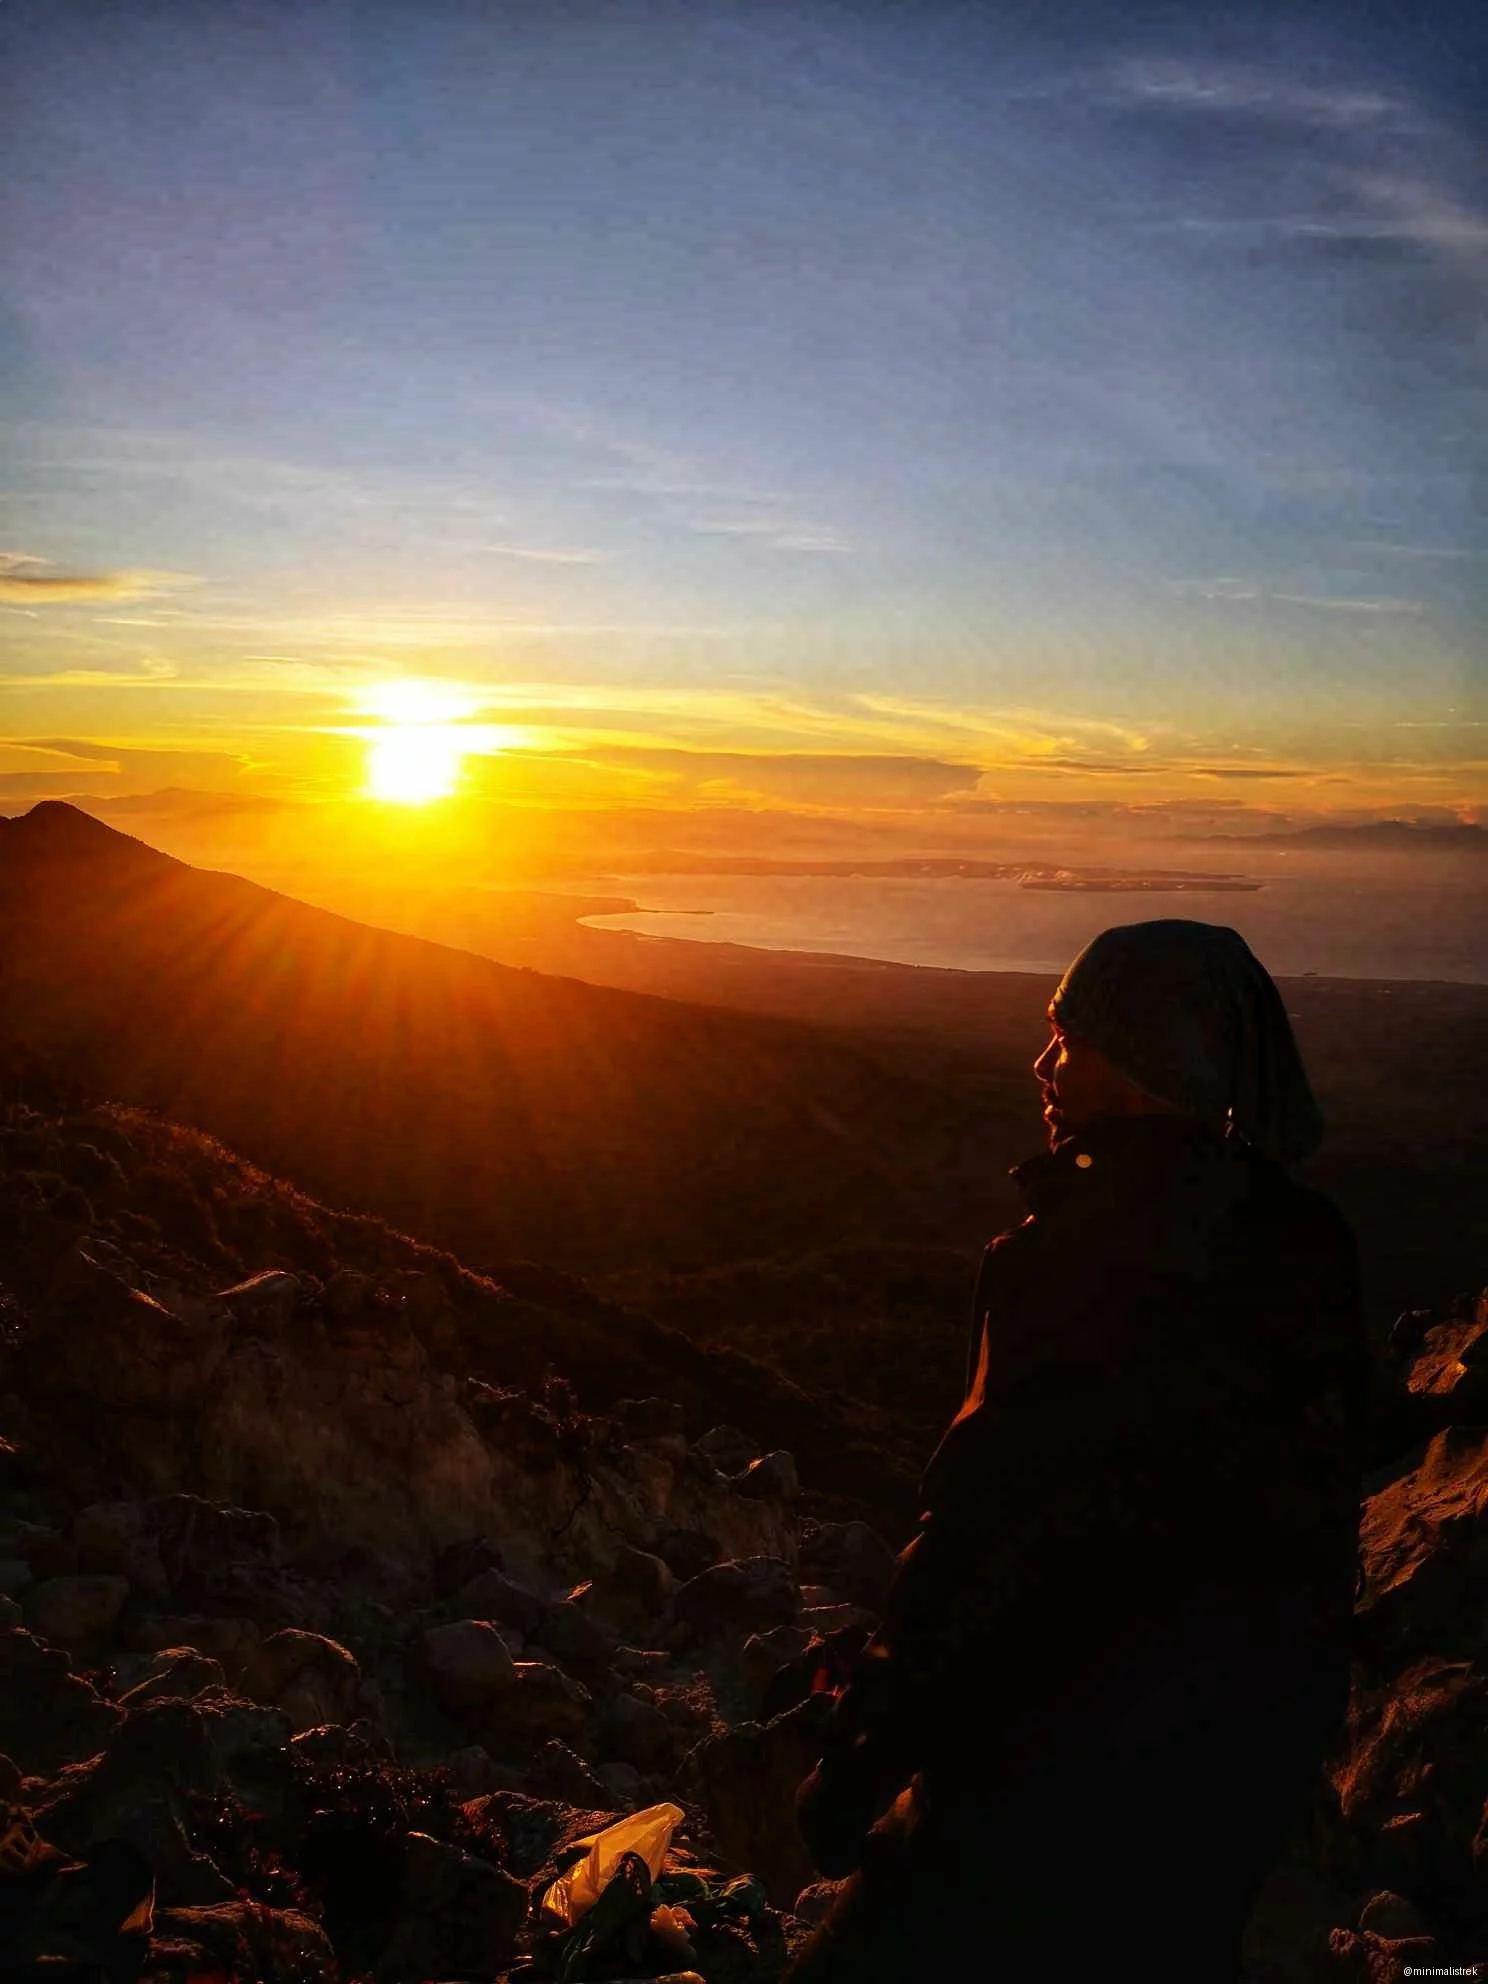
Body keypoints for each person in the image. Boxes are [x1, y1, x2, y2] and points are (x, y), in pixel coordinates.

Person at [784, 919, 1371, 1983]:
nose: (1042, 1065)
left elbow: (976, 1541)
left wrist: (855, 1771)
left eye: (1071, 1040)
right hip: (1231, 1785)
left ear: (1151, 1062)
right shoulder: (1309, 1244)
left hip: (1045, 1792)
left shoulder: (1066, 1259)